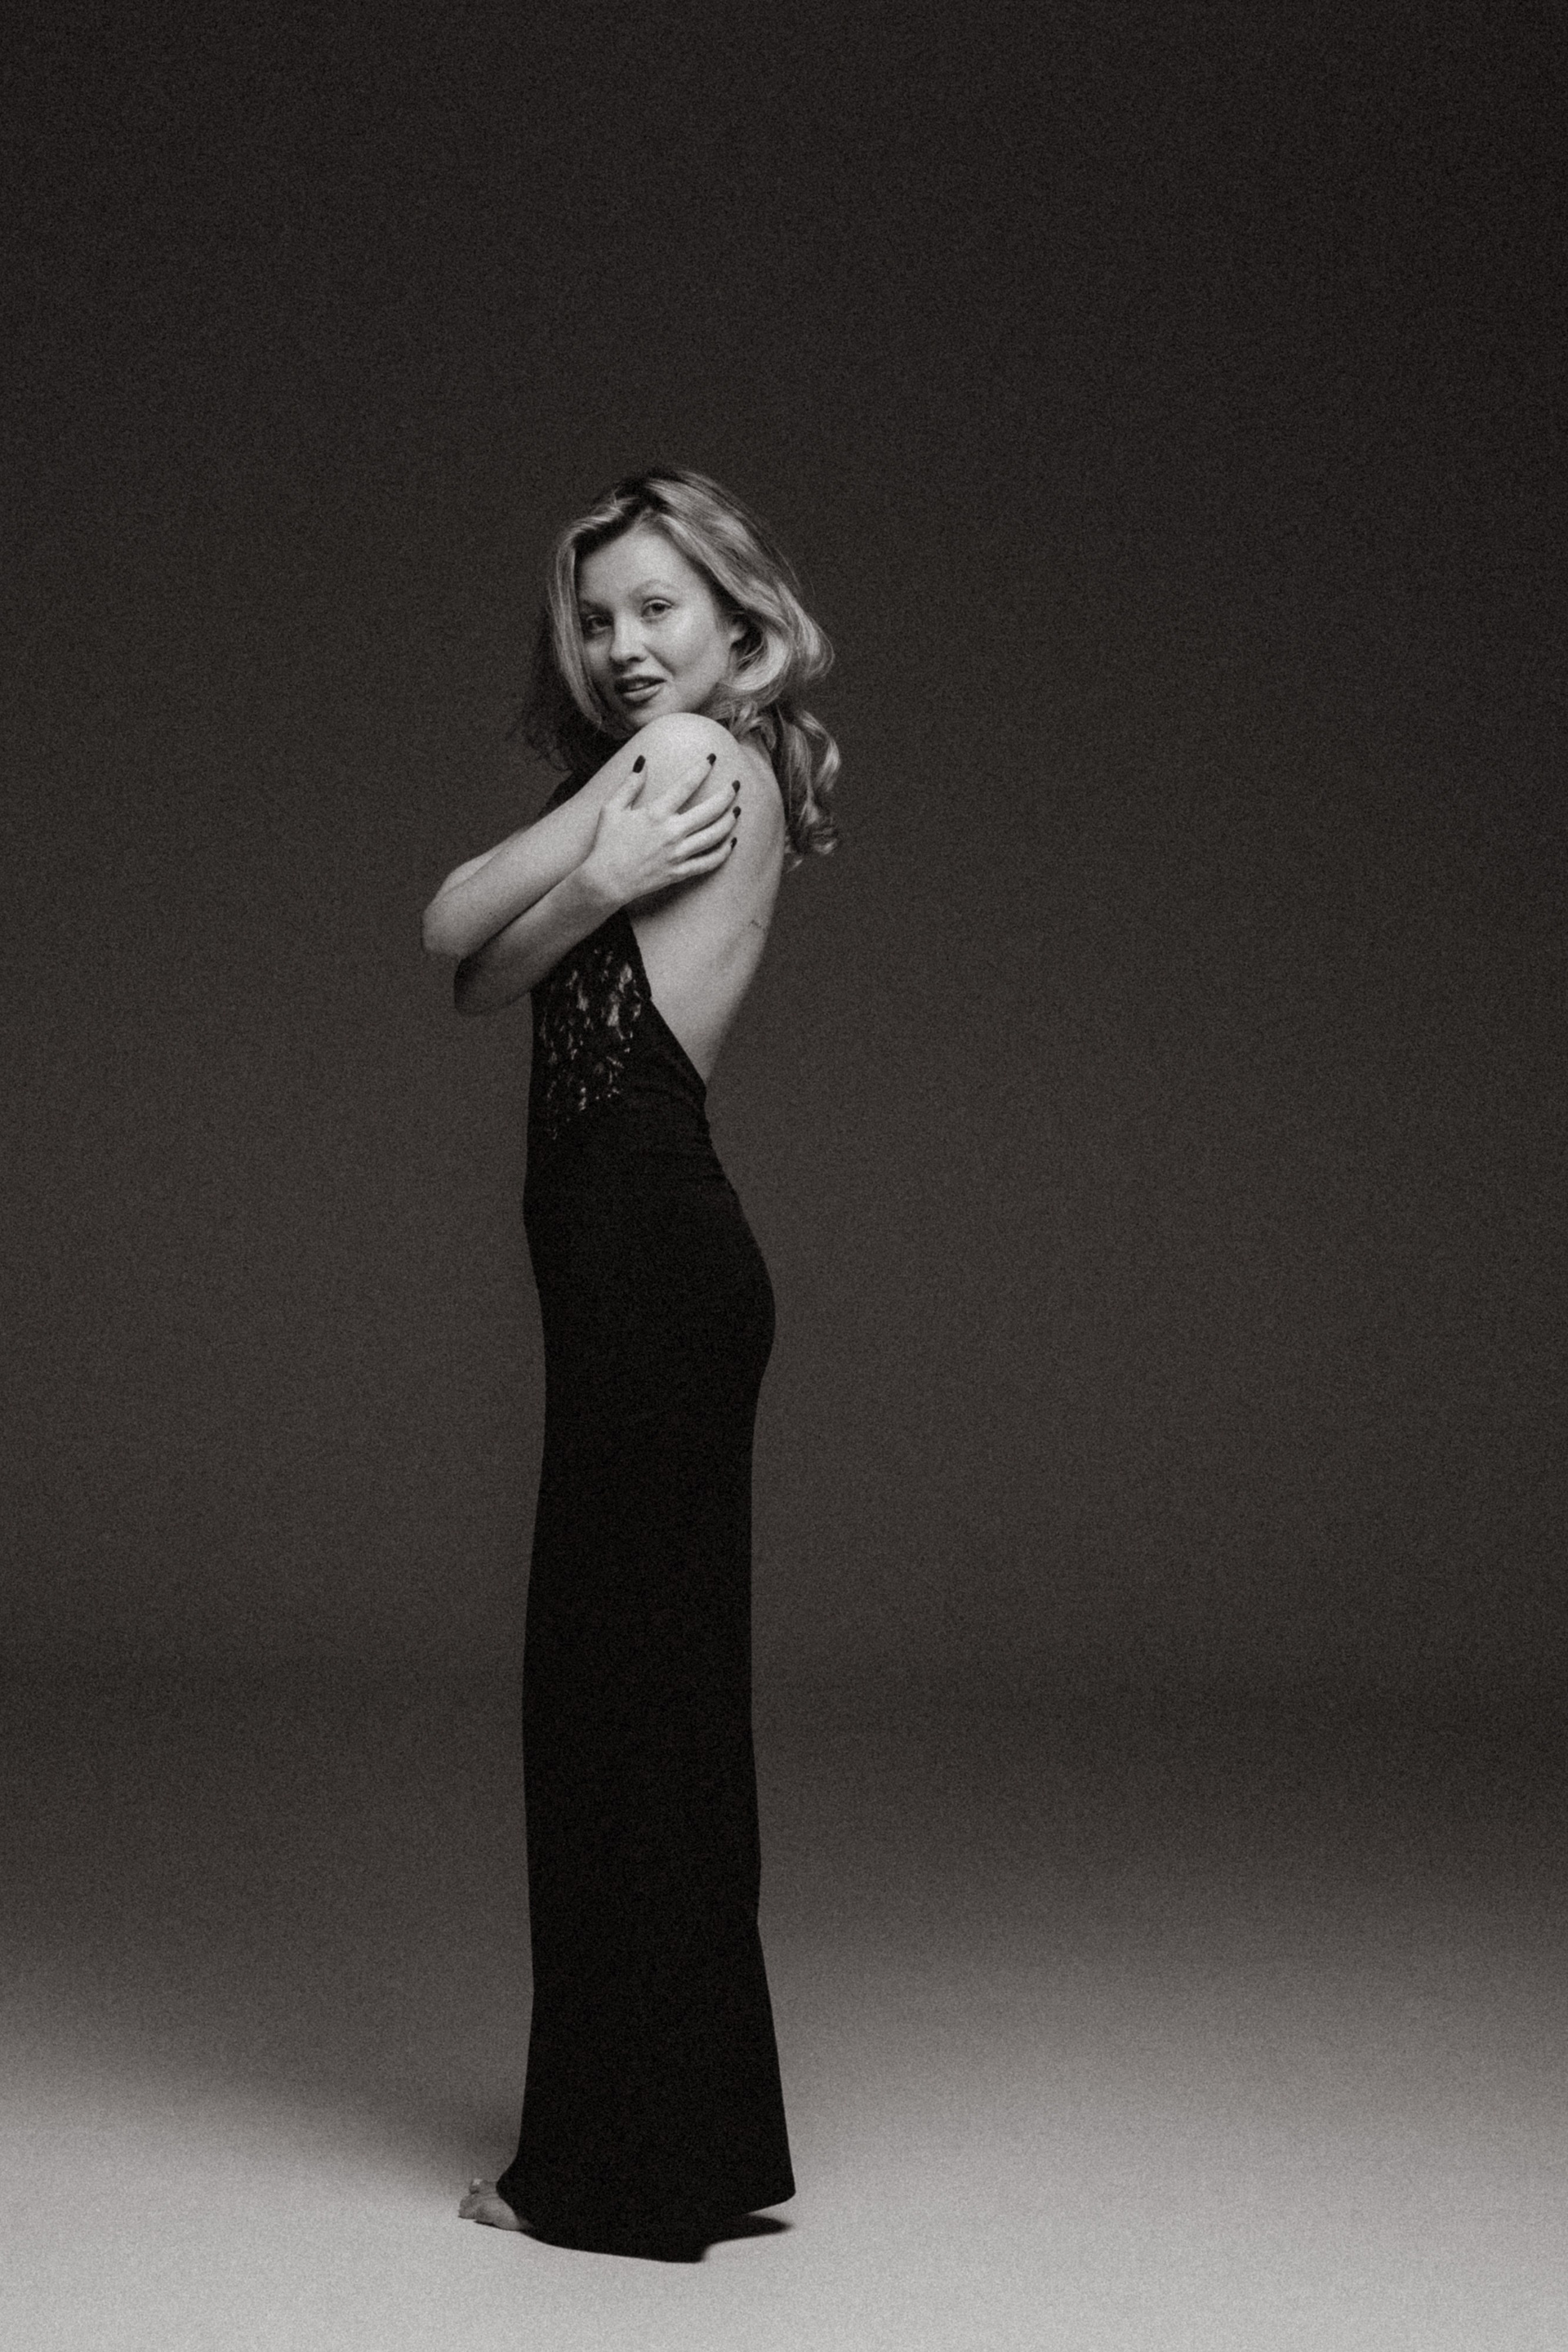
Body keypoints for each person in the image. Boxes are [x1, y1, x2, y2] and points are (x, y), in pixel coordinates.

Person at [421, 467, 839, 2259]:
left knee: (611, 1715)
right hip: (657, 1277)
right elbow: (482, 977)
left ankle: (607, 2172)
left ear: (740, 624)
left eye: (658, 607)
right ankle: (684, 2141)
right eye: (595, 618)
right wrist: (588, 877)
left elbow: (447, 922)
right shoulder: (692, 771)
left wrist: (577, 869)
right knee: (647, 1711)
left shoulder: (677, 759)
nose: (620, 645)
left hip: (652, 1271)